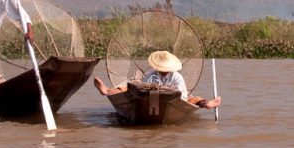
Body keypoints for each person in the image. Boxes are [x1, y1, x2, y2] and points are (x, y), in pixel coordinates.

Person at [93, 49, 222, 109]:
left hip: (172, 101)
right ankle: (107, 91)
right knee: (128, 86)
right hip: (150, 99)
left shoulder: (177, 78)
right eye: (161, 68)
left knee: (194, 99)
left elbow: (182, 98)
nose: (163, 71)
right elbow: (141, 87)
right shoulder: (151, 74)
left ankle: (208, 104)